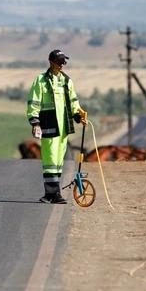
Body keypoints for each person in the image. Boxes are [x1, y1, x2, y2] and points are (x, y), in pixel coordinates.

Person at [26, 49, 87, 204]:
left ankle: (53, 194)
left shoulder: (67, 81)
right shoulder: (41, 81)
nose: (62, 65)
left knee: (58, 161)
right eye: (59, 62)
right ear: (51, 62)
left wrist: (78, 116)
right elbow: (34, 103)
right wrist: (35, 123)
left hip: (64, 128)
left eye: (63, 62)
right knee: (50, 160)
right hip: (48, 126)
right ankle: (52, 194)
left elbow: (73, 103)